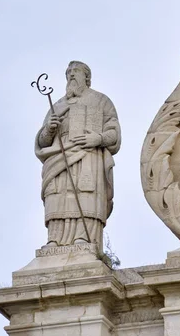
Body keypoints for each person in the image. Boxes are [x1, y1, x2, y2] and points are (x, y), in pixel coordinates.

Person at [35, 61, 121, 247]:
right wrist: (49, 129)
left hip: (89, 155)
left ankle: (84, 238)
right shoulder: (57, 105)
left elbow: (114, 133)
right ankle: (54, 240)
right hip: (59, 155)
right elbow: (43, 141)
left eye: (76, 71)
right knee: (58, 195)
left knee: (85, 194)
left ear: (87, 77)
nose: (72, 75)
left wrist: (98, 139)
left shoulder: (101, 101)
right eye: (69, 72)